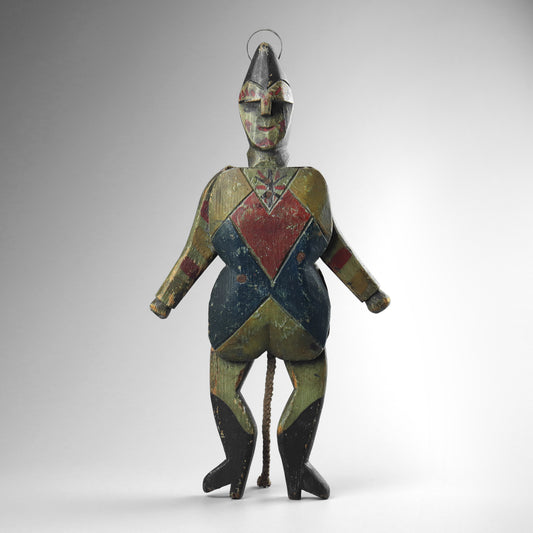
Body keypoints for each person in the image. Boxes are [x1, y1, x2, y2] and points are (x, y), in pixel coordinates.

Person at [150, 42, 390, 500]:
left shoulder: (225, 186)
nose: (264, 112)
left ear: (287, 112)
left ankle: (239, 458)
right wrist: (369, 293)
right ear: (241, 110)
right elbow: (334, 249)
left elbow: (196, 251)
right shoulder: (309, 183)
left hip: (235, 317)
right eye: (255, 103)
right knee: (311, 375)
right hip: (301, 317)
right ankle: (295, 466)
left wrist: (167, 298)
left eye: (273, 104)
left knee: (224, 373)